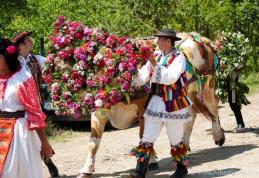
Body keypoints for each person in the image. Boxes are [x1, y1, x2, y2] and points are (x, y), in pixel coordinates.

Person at [130, 29, 192, 178]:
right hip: (156, 101)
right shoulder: (156, 56)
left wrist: (154, 65)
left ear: (168, 41)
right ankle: (139, 173)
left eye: (160, 39)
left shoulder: (179, 58)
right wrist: (131, 73)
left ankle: (182, 169)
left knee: (175, 138)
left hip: (172, 103)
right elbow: (143, 76)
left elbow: (170, 78)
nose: (157, 42)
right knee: (147, 138)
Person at [0, 38, 54, 178]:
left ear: (7, 57)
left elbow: (35, 112)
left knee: (20, 172)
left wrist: (44, 143)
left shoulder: (23, 78)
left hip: (20, 133)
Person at [12, 31, 59, 177]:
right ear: (21, 45)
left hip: (35, 105)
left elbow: (54, 65)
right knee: (27, 138)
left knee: (38, 134)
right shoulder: (12, 62)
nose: (31, 41)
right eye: (28, 40)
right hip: (18, 107)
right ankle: (44, 162)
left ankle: (46, 160)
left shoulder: (36, 59)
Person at [226, 66, 246, 133]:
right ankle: (240, 124)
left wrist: (233, 67)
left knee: (235, 106)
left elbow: (241, 65)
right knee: (233, 106)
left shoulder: (233, 60)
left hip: (233, 88)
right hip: (229, 88)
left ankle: (241, 125)